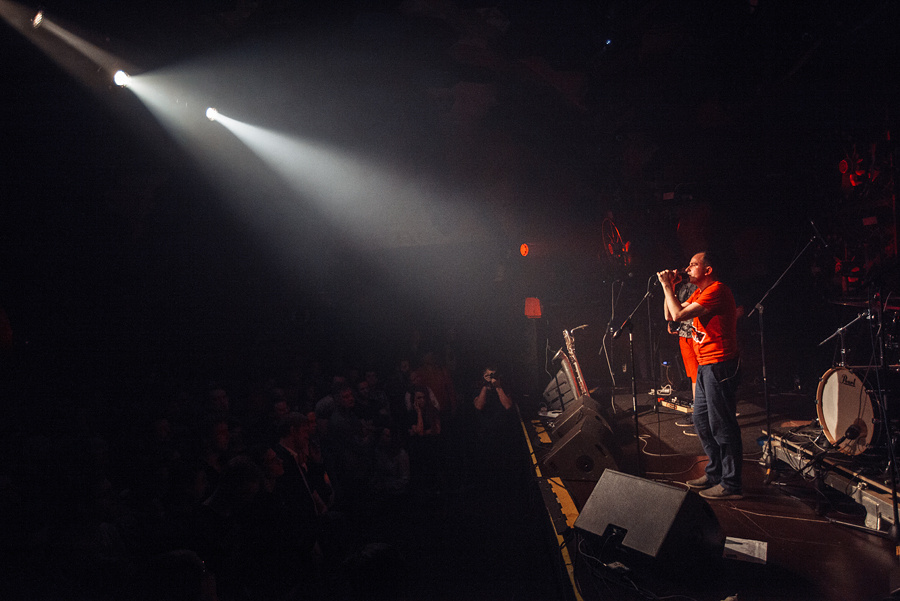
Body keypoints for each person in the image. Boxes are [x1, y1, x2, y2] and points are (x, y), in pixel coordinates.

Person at [657, 251, 742, 500]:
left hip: (719, 364)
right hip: (706, 365)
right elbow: (670, 315)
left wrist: (666, 285)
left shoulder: (717, 290)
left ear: (708, 270)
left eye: (694, 264)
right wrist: (669, 287)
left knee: (722, 425)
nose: (688, 267)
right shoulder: (700, 292)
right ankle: (715, 473)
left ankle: (732, 484)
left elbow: (680, 315)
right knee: (702, 421)